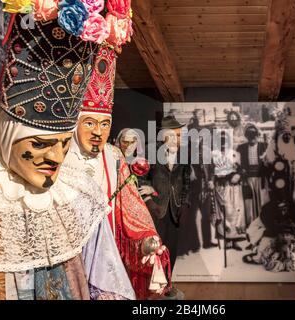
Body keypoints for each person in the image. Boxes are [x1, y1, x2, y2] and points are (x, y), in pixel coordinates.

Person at [0, 14, 106, 300]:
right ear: (4, 136)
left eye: (63, 144)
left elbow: (102, 275)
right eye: (40, 143)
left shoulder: (75, 197)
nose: (56, 157)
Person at [63, 47, 169, 300]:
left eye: (104, 124)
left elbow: (129, 203)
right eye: (89, 123)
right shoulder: (60, 155)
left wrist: (145, 238)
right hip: (69, 247)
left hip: (108, 246)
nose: (98, 132)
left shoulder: (113, 155)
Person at [139, 115, 190, 300]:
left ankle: (167, 288)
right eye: (175, 135)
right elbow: (140, 179)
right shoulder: (151, 152)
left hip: (174, 211)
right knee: (154, 252)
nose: (179, 138)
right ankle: (152, 290)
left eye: (180, 134)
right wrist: (150, 203)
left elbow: (186, 182)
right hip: (156, 211)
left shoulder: (184, 154)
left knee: (171, 251)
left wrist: (185, 203)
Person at [209, 130, 246, 251]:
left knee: (235, 212)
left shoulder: (235, 154)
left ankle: (235, 240)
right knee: (224, 212)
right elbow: (211, 170)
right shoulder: (214, 155)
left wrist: (239, 175)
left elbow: (241, 169)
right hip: (221, 187)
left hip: (234, 187)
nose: (223, 143)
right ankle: (227, 240)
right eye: (221, 140)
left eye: (226, 140)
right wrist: (210, 181)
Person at [237, 124, 267, 226]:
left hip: (261, 179)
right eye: (249, 135)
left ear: (257, 135)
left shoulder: (264, 146)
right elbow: (237, 164)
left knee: (262, 202)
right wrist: (242, 171)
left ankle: (263, 225)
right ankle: (251, 226)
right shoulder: (241, 148)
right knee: (249, 204)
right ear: (246, 136)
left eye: (254, 134)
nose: (252, 137)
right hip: (248, 179)